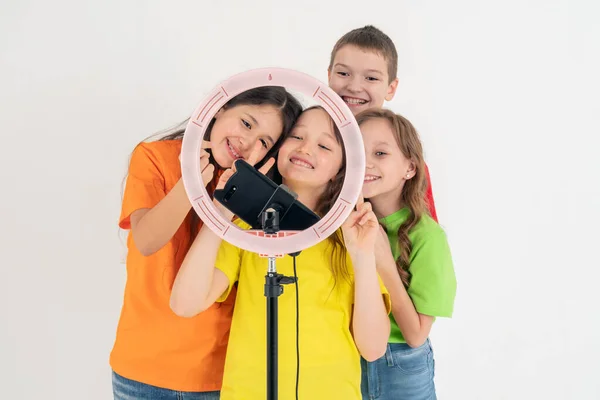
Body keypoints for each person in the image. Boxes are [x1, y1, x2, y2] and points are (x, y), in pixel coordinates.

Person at [170, 106, 391, 399]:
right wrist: (221, 212)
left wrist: (362, 256)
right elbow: (185, 304)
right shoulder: (246, 229)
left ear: (343, 167)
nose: (305, 147)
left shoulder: (350, 234)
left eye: (324, 145)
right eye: (296, 135)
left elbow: (373, 348)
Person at [111, 86, 303, 399]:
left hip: (219, 375)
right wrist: (192, 180)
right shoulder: (155, 157)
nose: (249, 141)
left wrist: (242, 192)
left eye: (264, 142)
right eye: (246, 123)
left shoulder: (262, 192)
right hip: (142, 370)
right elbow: (146, 241)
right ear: (217, 109)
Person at [357, 108, 457, 400]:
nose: (366, 164)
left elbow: (415, 335)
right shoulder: (347, 224)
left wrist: (385, 263)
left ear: (410, 168)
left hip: (401, 364)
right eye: (358, 153)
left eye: (380, 154)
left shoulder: (427, 236)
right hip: (349, 357)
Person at [327, 25, 438, 221]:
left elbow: (422, 231)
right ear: (329, 76)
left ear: (391, 88)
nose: (354, 87)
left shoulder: (404, 161)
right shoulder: (305, 139)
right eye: (343, 74)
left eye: (371, 78)